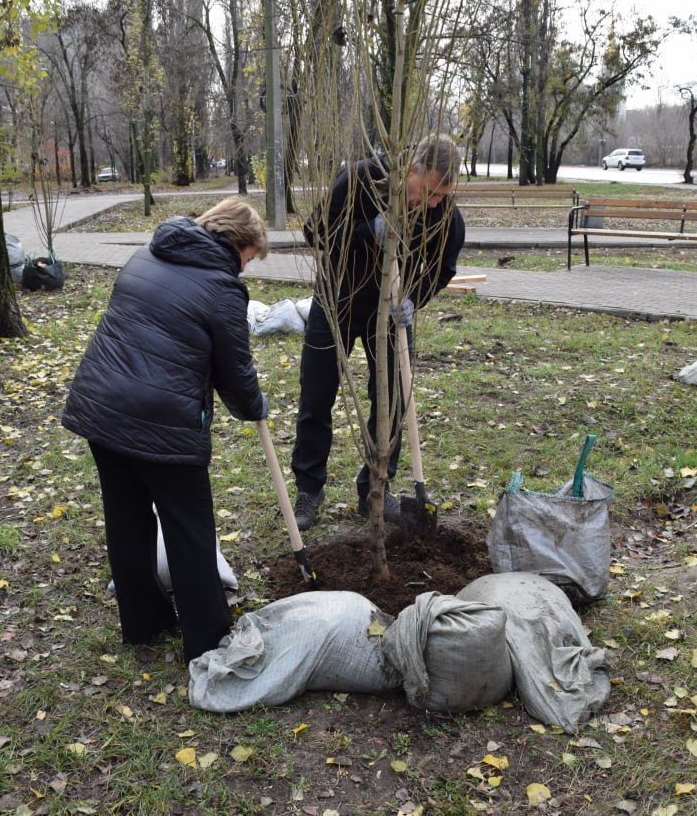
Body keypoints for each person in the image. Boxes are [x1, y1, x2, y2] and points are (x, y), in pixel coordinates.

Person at [61, 197, 268, 662]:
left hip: (101, 406)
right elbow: (234, 372)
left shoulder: (146, 255)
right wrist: (255, 406)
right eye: (249, 258)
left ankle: (144, 624)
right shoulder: (222, 288)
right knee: (189, 527)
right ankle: (208, 637)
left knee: (127, 518)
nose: (245, 268)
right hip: (162, 422)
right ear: (237, 243)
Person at [291, 134, 466, 531]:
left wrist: (414, 298)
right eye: (430, 192)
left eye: (443, 196)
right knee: (317, 393)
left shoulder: (444, 213)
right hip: (336, 301)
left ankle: (375, 487)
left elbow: (443, 267)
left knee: (392, 399)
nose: (434, 203)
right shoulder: (360, 179)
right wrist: (366, 231)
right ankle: (309, 488)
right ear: (411, 169)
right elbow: (315, 232)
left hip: (388, 313)